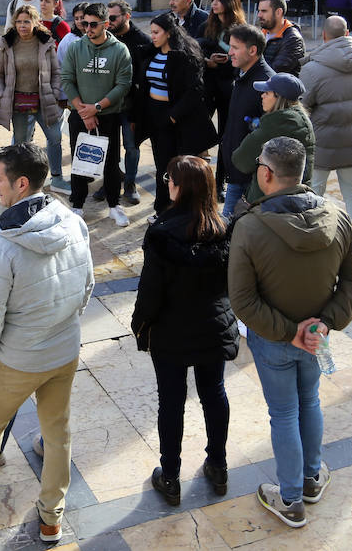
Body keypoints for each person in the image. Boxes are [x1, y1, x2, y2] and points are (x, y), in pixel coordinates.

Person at [228, 136, 352, 528]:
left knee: (285, 413)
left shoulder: (250, 226)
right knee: (309, 402)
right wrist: (322, 325)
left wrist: (289, 333)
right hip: (315, 337)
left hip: (275, 340)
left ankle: (290, 499)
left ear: (266, 173)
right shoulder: (337, 216)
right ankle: (310, 477)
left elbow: (241, 300)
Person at [0, 143, 94, 545]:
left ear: (20, 183)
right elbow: (87, 286)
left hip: (16, 359)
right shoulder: (72, 222)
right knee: (57, 432)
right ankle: (52, 517)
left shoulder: (1, 244)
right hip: (64, 350)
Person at [130, 155, 236, 506]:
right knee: (214, 393)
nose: (167, 184)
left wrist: (139, 324)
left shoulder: (161, 234)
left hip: (171, 333)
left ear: (181, 188)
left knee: (171, 402)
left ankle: (170, 476)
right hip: (212, 327)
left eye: (169, 180)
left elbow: (151, 292)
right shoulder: (226, 228)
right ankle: (218, 466)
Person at [299, 15, 352, 247]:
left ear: (324, 36)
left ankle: (313, 240)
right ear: (348, 33)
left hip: (323, 142)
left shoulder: (312, 69)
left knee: (315, 193)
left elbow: (302, 107)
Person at [60, 2, 134, 226]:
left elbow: (123, 85)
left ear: (106, 24)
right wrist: (84, 110)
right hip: (80, 114)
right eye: (84, 23)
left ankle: (114, 205)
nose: (87, 28)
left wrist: (98, 107)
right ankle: (77, 205)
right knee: (79, 160)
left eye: (93, 24)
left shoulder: (119, 50)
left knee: (111, 162)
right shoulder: (76, 47)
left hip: (108, 114)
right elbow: (67, 80)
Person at [138, 13, 219, 213]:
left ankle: (174, 208)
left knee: (176, 167)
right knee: (161, 165)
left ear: (169, 33)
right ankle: (162, 208)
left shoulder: (184, 56)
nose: (153, 36)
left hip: (175, 118)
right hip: (154, 115)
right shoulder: (151, 53)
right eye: (152, 32)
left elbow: (195, 91)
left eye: (157, 32)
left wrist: (173, 116)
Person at [0, 4, 67, 192]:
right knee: (21, 143)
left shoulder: (45, 42)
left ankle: (57, 178)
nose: (22, 25)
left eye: (26, 21)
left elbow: (57, 72)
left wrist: (55, 92)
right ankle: (22, 181)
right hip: (18, 103)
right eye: (18, 21)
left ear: (36, 22)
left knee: (55, 137)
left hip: (44, 100)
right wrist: (3, 95)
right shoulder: (6, 43)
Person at [232, 73, 315, 206]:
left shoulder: (276, 123)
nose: (262, 95)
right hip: (299, 199)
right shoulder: (302, 119)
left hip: (269, 202)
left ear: (279, 97)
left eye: (267, 93)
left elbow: (240, 160)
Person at [199, 0, 247, 199]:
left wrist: (226, 61)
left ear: (229, 2)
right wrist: (208, 61)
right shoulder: (206, 25)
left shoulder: (241, 29)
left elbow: (245, 60)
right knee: (200, 133)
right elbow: (196, 50)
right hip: (208, 86)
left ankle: (220, 183)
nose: (214, 3)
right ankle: (200, 181)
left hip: (229, 87)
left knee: (226, 138)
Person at [221, 24, 273, 218]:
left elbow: (268, 134)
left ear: (252, 50)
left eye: (235, 47)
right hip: (237, 173)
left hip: (250, 179)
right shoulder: (242, 76)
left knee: (231, 231)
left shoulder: (266, 84)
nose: (230, 52)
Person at [108, 0, 154, 205]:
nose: (108, 22)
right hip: (108, 105)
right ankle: (111, 181)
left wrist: (137, 112)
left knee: (131, 146)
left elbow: (144, 83)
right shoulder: (105, 38)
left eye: (112, 18)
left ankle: (129, 183)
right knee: (109, 146)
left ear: (127, 16)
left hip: (130, 107)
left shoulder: (142, 41)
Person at [257, 0, 307, 76]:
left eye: (264, 11)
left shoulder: (293, 39)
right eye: (259, 11)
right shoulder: (260, 33)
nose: (259, 15)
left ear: (278, 12)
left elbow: (275, 72)